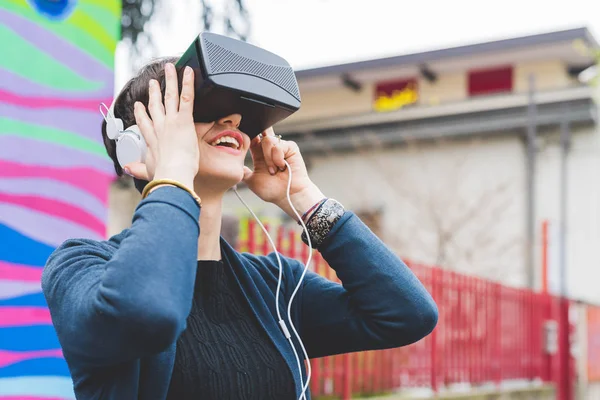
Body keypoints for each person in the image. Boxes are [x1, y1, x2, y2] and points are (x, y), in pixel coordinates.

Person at [42, 57, 438, 400]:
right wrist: (173, 174)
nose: (232, 120)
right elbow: (151, 310)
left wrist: (304, 198)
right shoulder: (80, 266)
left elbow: (406, 315)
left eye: (237, 114)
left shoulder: (274, 283)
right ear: (136, 148)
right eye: (196, 107)